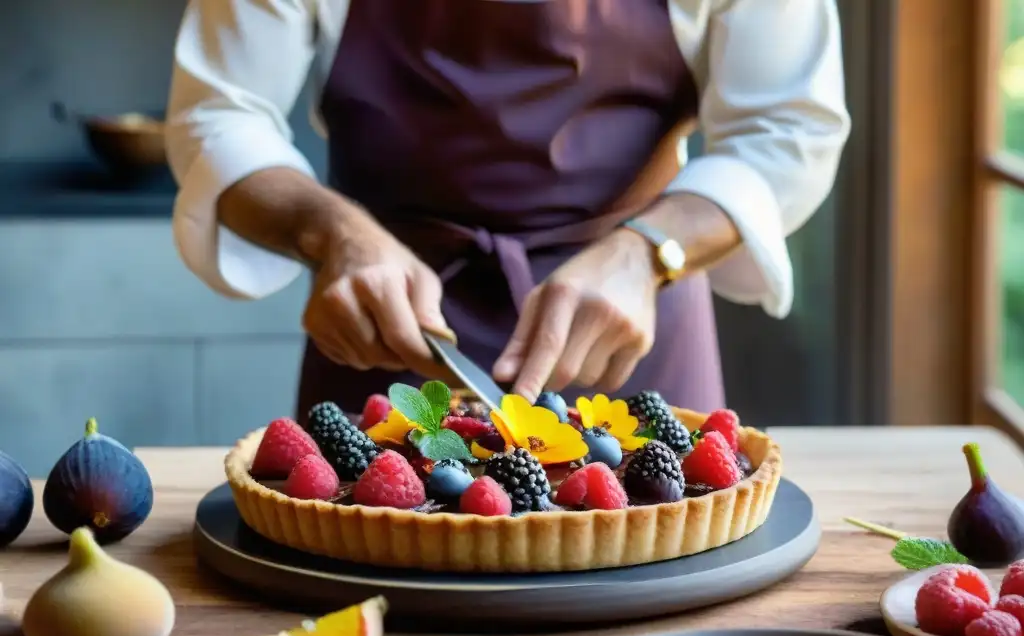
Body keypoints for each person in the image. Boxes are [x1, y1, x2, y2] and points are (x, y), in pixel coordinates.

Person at [166, 0, 850, 421]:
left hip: (631, 329)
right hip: (388, 323)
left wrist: (648, 253)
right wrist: (334, 233)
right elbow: (218, 112)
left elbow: (788, 127)